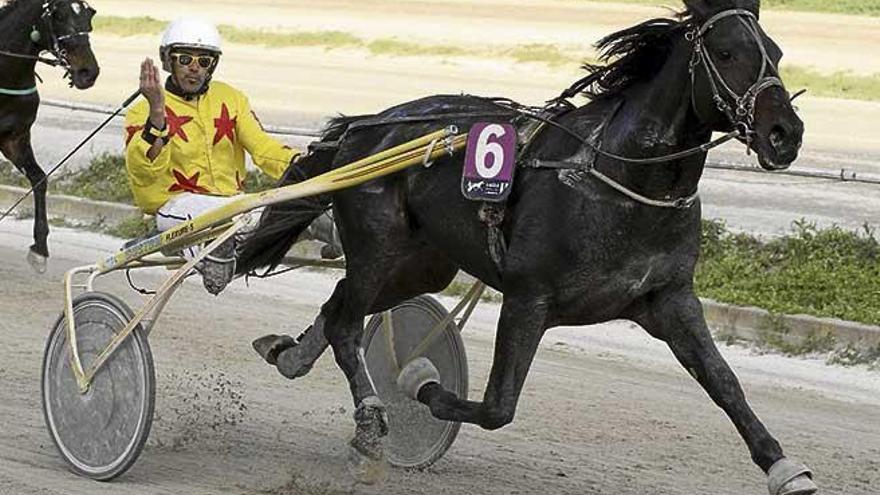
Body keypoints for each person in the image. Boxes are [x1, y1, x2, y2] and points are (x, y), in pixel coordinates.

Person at [124, 17, 307, 294]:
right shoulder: (142, 111)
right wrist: (158, 112)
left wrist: (303, 165)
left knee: (299, 204)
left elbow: (263, 148)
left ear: (213, 65)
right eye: (185, 59)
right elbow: (143, 170)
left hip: (233, 207)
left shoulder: (231, 98)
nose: (194, 69)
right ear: (167, 61)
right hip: (175, 208)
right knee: (228, 215)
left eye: (204, 61)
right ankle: (196, 245)